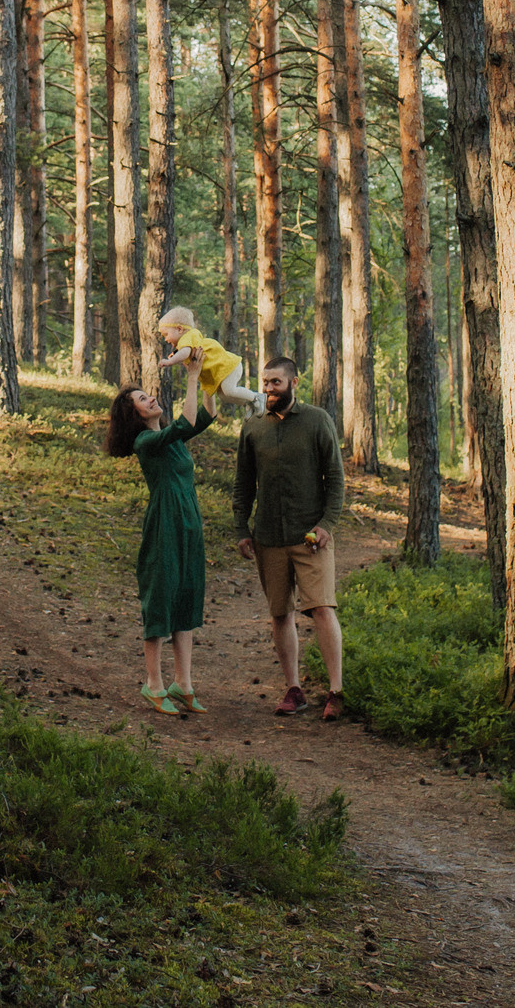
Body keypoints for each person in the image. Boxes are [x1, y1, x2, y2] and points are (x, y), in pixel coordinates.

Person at [231, 357, 346, 720]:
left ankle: (336, 691)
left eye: (276, 382)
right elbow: (243, 485)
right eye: (265, 382)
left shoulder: (317, 421)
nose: (268, 389)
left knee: (322, 609)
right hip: (269, 536)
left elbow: (336, 478)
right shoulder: (253, 428)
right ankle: (293, 689)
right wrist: (241, 529)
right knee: (280, 613)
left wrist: (327, 523)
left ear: (294, 381)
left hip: (311, 537)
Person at [107, 353, 211, 717]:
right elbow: (185, 422)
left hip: (188, 524)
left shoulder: (173, 440)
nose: (151, 398)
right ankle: (153, 684)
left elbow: (204, 417)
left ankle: (183, 685)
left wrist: (210, 377)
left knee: (186, 599)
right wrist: (193, 377)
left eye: (147, 395)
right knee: (160, 601)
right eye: (141, 399)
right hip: (164, 525)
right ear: (133, 415)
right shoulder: (146, 443)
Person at [156, 305, 266, 417]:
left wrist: (170, 361)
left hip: (229, 367)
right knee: (224, 396)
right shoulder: (189, 341)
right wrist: (175, 355)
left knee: (229, 391)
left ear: (179, 329)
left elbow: (184, 352)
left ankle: (257, 397)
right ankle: (249, 402)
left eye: (166, 334)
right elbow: (185, 353)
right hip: (225, 370)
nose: (166, 339)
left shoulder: (188, 336)